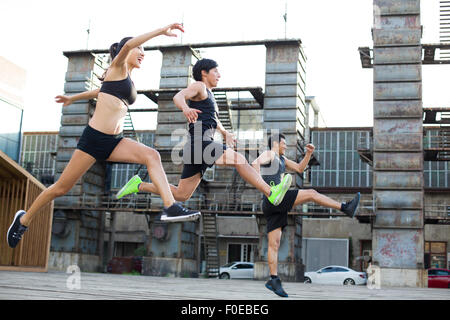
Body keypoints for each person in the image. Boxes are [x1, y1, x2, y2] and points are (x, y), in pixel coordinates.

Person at [7, 23, 201, 249]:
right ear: (126, 52)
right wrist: (160, 32)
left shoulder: (125, 77)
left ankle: (170, 207)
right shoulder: (117, 67)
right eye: (140, 50)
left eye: (144, 52)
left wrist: (74, 98)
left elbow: (100, 91)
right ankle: (23, 220)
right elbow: (129, 44)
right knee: (61, 188)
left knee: (152, 155)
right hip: (94, 140)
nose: (142, 55)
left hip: (114, 142)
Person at [116, 58, 292, 207]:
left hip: (196, 149)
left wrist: (224, 133)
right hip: (201, 144)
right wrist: (185, 108)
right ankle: (271, 192)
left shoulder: (210, 96)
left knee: (181, 195)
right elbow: (178, 96)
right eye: (216, 71)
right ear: (204, 73)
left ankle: (139, 185)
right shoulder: (199, 86)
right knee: (240, 160)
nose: (219, 75)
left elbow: (213, 120)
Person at [251, 132, 360, 297]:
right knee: (312, 194)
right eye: (283, 143)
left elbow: (300, 168)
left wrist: (308, 154)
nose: (285, 146)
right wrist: (264, 187)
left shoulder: (282, 160)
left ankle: (273, 279)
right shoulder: (270, 154)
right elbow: (254, 164)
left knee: (274, 244)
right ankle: (345, 207)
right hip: (273, 197)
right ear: (275, 144)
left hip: (274, 205)